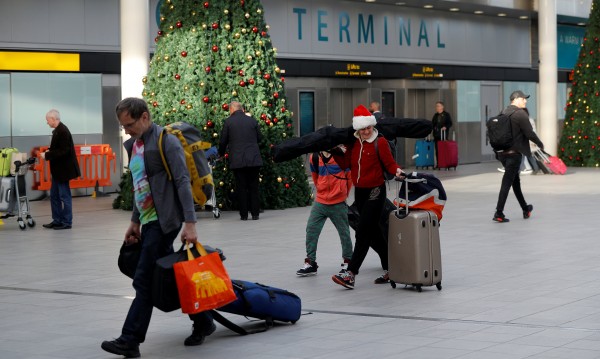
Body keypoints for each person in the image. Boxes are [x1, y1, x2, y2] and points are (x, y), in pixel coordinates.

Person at [101, 98, 215, 358]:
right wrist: (134, 221)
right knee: (165, 277)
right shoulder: (136, 145)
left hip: (164, 222)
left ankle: (130, 340)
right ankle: (203, 321)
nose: (126, 130)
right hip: (148, 220)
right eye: (122, 126)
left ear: (144, 117)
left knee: (143, 280)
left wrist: (190, 223)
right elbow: (140, 185)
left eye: (129, 124)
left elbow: (183, 182)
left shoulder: (167, 142)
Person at [331, 104, 405, 289]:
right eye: (363, 128)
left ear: (372, 126)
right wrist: (333, 152)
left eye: (368, 127)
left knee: (363, 231)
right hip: (360, 192)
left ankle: (351, 273)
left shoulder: (380, 142)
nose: (366, 131)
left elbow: (389, 163)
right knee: (375, 234)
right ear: (357, 128)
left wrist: (397, 171)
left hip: (376, 191)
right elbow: (345, 165)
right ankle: (392, 269)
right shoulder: (353, 143)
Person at [296, 150, 353, 276]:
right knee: (311, 229)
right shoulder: (315, 157)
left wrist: (343, 194)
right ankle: (311, 262)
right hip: (320, 201)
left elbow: (349, 177)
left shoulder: (341, 156)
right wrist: (322, 192)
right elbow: (315, 177)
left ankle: (348, 261)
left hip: (338, 202)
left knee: (344, 233)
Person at [493, 91, 544, 223]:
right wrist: (540, 143)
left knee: (515, 182)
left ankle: (525, 208)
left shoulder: (503, 112)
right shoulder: (520, 114)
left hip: (503, 154)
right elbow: (529, 133)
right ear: (515, 99)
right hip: (514, 155)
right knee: (507, 183)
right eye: (523, 99)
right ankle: (499, 212)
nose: (525, 101)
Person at [218, 101, 263, 221]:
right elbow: (259, 138)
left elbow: (223, 141)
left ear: (231, 110)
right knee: (254, 186)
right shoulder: (252, 121)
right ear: (242, 109)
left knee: (241, 187)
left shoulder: (228, 122)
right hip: (254, 159)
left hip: (238, 160)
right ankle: (255, 214)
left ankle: (244, 215)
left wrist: (221, 154)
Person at [42, 109, 80, 230]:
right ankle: (57, 220)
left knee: (64, 196)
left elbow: (64, 151)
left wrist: (47, 155)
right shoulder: (58, 131)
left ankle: (67, 222)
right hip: (58, 171)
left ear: (53, 119)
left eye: (48, 120)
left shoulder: (62, 131)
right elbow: (59, 148)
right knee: (54, 196)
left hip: (63, 171)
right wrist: (49, 150)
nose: (47, 123)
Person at [431, 101, 453, 166]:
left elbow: (450, 123)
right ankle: (438, 163)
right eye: (436, 106)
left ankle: (445, 162)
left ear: (442, 107)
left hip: (443, 135)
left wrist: (445, 127)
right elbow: (432, 124)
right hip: (436, 135)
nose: (437, 107)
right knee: (437, 150)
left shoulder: (446, 115)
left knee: (443, 149)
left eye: (438, 106)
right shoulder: (435, 115)